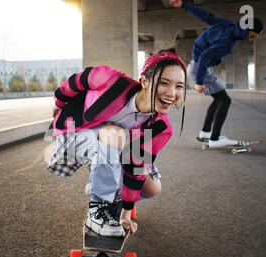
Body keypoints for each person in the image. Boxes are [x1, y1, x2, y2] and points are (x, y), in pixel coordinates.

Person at [47, 48, 187, 237]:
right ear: (144, 82)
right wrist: (59, 103)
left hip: (114, 149)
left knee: (152, 187)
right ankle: (97, 211)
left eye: (179, 86)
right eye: (164, 83)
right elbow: (77, 80)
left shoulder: (160, 127)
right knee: (115, 133)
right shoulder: (111, 81)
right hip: (74, 135)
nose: (172, 93)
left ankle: (113, 199)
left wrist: (125, 214)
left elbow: (136, 166)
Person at [171, 0, 263, 148]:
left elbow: (207, 16)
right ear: (249, 29)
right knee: (224, 100)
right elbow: (205, 57)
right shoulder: (227, 40)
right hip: (200, 67)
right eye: (254, 35)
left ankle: (206, 133)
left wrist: (184, 4)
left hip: (199, 66)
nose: (254, 38)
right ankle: (215, 139)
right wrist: (199, 82)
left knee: (218, 99)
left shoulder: (228, 24)